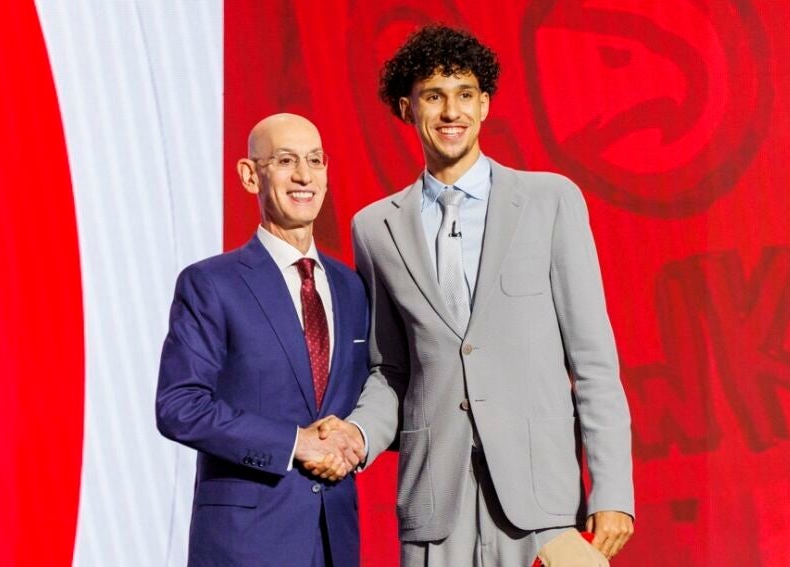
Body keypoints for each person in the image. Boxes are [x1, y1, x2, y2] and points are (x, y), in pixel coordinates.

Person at [326, 25, 635, 566]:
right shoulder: (375, 228)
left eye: (465, 94)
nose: (452, 111)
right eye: (434, 96)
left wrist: (612, 491)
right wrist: (356, 436)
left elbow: (592, 361)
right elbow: (390, 370)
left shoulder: (549, 200)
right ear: (407, 108)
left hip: (544, 506)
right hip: (435, 506)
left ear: (485, 104)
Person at [156, 113, 369, 566]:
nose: (304, 175)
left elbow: (370, 393)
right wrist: (295, 443)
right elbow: (179, 406)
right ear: (250, 176)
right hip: (245, 543)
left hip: (334, 538)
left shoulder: (351, 287)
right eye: (286, 160)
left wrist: (357, 436)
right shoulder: (211, 284)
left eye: (315, 160)